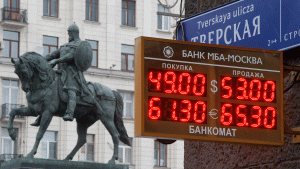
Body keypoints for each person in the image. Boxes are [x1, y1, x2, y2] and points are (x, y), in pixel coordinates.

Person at [31, 22, 90, 126]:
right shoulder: (64, 46)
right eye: (68, 33)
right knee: (48, 91)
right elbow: (52, 55)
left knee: (71, 91)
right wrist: (40, 60)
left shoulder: (79, 45)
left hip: (72, 74)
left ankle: (70, 113)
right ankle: (41, 115)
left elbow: (70, 56)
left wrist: (56, 61)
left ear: (74, 33)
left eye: (70, 33)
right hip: (60, 72)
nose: (69, 35)